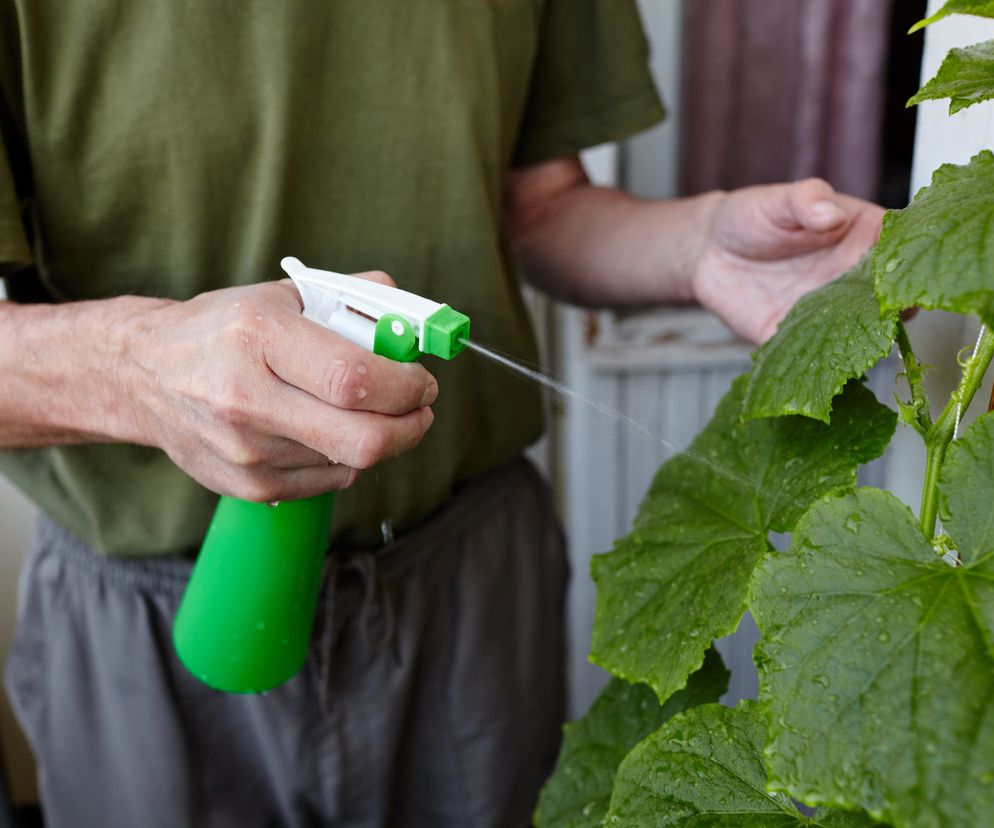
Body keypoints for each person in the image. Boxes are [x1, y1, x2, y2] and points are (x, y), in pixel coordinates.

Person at [0, 2, 883, 827]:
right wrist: (140, 369)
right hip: (155, 620)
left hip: (469, 592)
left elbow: (540, 206)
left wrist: (701, 247)